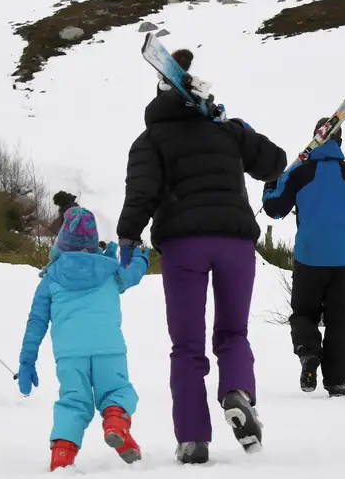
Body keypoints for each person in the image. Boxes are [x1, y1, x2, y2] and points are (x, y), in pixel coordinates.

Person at [116, 49, 287, 464]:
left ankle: (193, 439)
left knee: (187, 345)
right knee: (233, 333)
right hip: (235, 243)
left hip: (183, 246)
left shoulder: (150, 139)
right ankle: (237, 392)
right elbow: (274, 163)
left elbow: (142, 192)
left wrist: (127, 235)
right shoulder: (224, 130)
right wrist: (235, 126)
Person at [262, 120, 345, 397]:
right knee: (339, 322)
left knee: (304, 314)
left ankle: (309, 353)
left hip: (309, 258)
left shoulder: (298, 174)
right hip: (343, 260)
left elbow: (274, 210)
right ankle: (336, 382)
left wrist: (271, 183)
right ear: (340, 141)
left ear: (315, 139)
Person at [18, 207, 150, 471]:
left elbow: (36, 322)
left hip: (69, 355)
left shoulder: (51, 277)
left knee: (73, 402)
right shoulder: (110, 269)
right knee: (117, 392)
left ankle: (62, 456)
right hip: (108, 349)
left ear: (62, 243)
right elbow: (133, 273)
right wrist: (141, 259)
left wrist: (27, 361)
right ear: (92, 243)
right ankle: (116, 423)